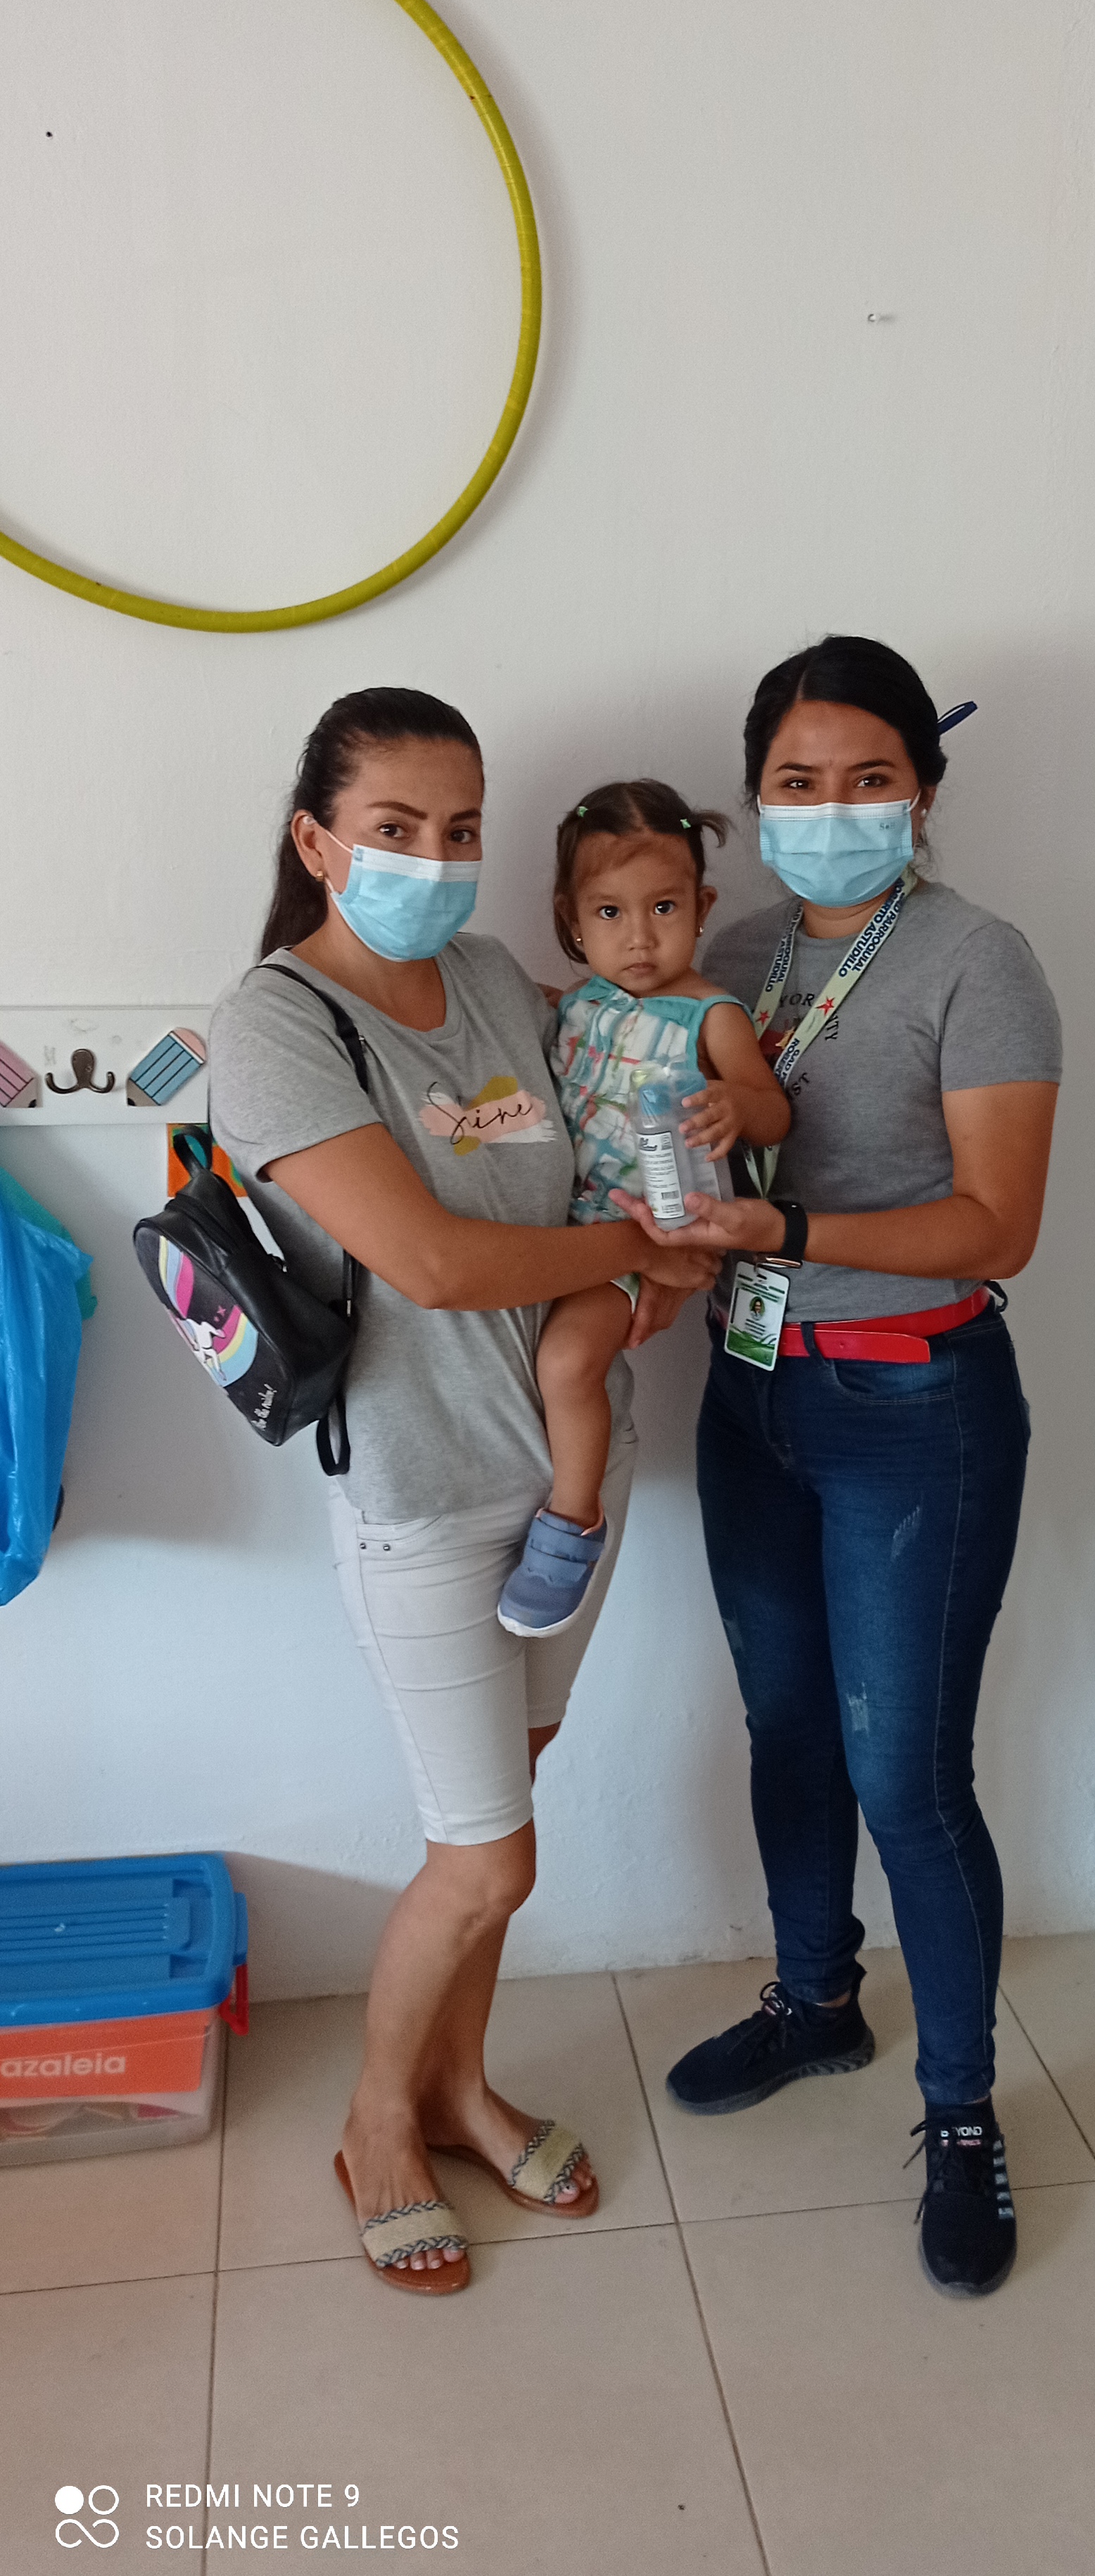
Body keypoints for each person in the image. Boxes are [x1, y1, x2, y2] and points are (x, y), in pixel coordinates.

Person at [208, 690, 717, 2295]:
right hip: (424, 1495)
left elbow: (604, 1145)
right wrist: (639, 1252)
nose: (433, 858)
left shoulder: (499, 979)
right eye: (394, 828)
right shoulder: (279, 1022)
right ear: (317, 842)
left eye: (459, 828)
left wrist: (670, 1217)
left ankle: (458, 2090)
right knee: (485, 1854)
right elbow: (429, 1262)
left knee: (514, 1797)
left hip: (572, 1478)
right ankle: (377, 2117)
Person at [613, 636, 1061, 2299]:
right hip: (751, 1399)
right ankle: (813, 2002)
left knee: (905, 1777)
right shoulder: (722, 956)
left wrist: (786, 1233)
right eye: (794, 783)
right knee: (786, 1726)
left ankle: (960, 2111)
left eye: (865, 778)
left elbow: (994, 1224)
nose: (829, 807)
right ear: (752, 799)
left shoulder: (977, 960)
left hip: (912, 1410)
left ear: (921, 792)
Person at [496, 780, 790, 1637]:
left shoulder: (711, 1014)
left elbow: (774, 1113)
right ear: (571, 918)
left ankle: (572, 1524)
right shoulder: (578, 1003)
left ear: (701, 908)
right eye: (610, 912)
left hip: (640, 1231)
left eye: (663, 907)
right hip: (554, 1226)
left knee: (566, 1366)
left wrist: (737, 1104)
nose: (639, 936)